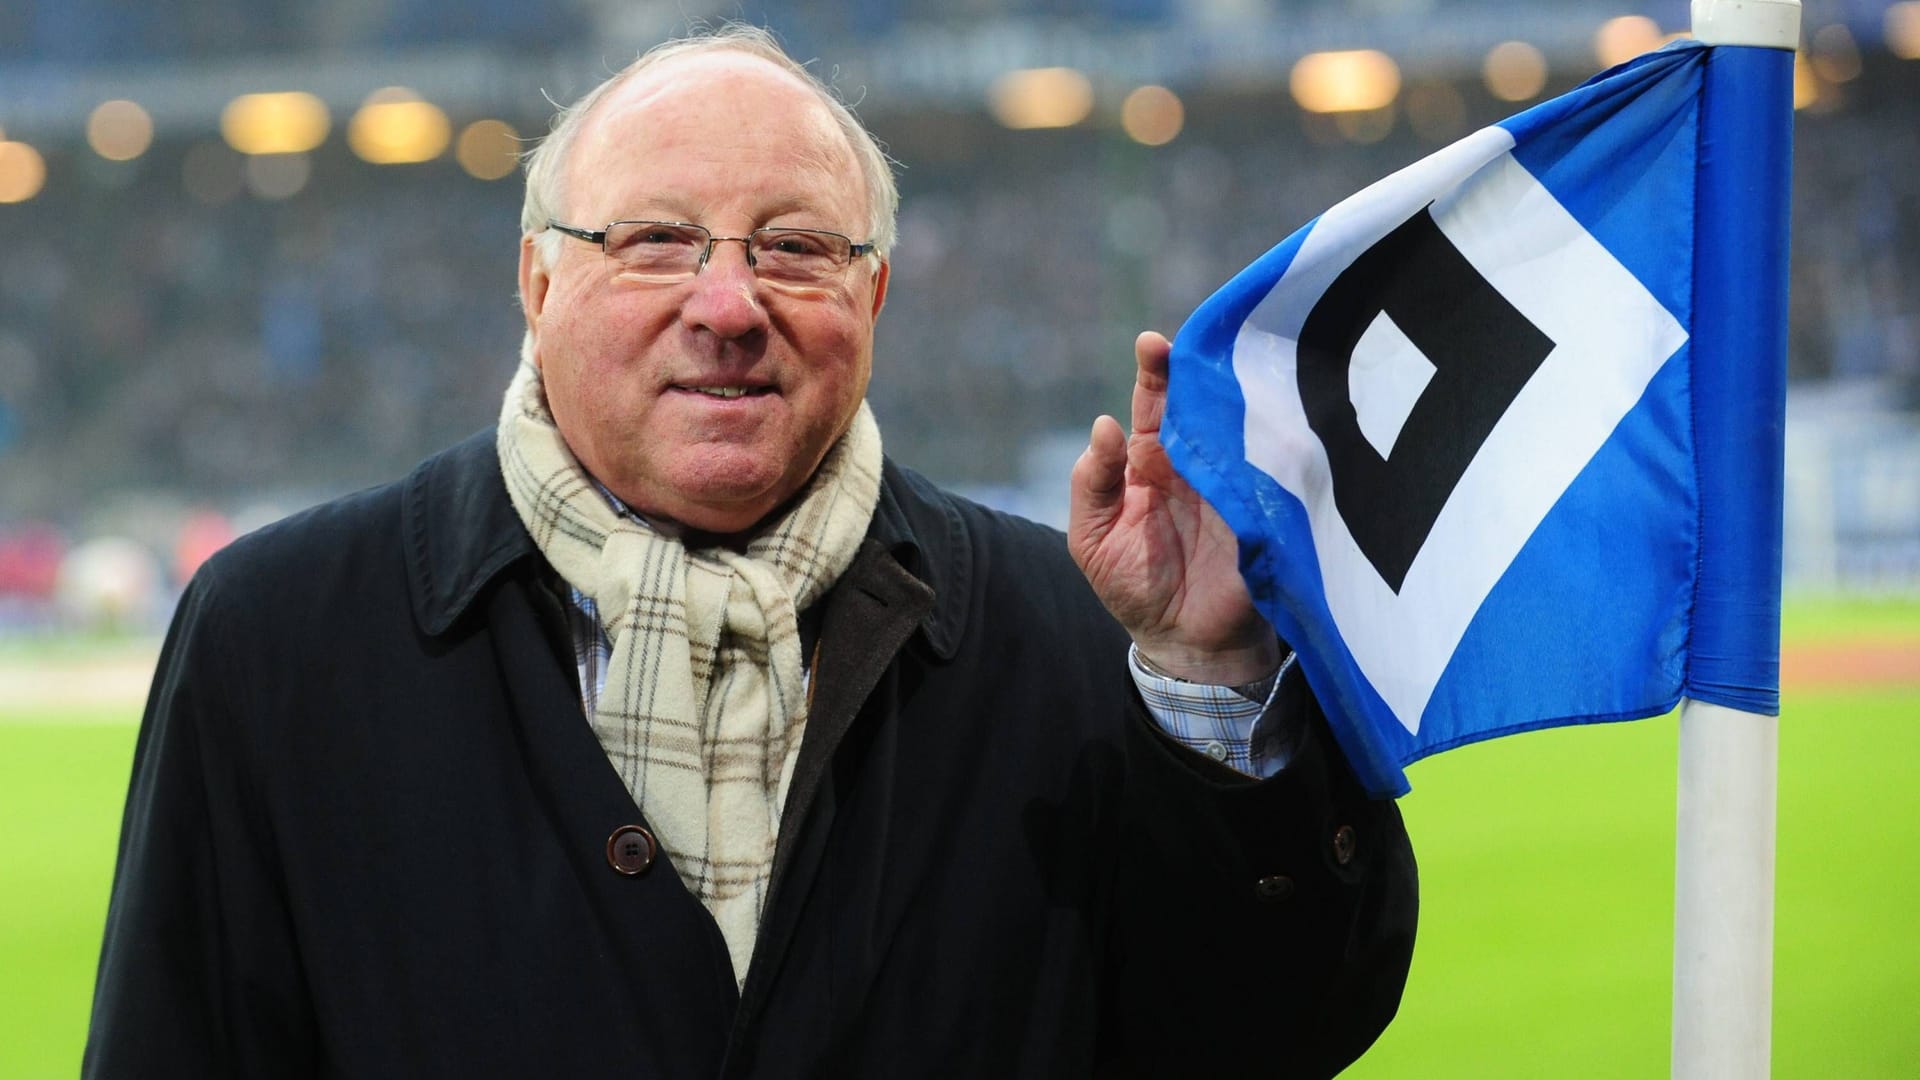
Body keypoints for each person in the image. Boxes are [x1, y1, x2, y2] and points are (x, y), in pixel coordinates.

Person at [85, 24, 1415, 1078]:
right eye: (657, 241)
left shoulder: (1081, 638)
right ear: (538, 281)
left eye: (793, 248)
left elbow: (1273, 1035)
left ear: (873, 293)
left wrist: (1208, 683)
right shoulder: (280, 640)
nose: (727, 306)